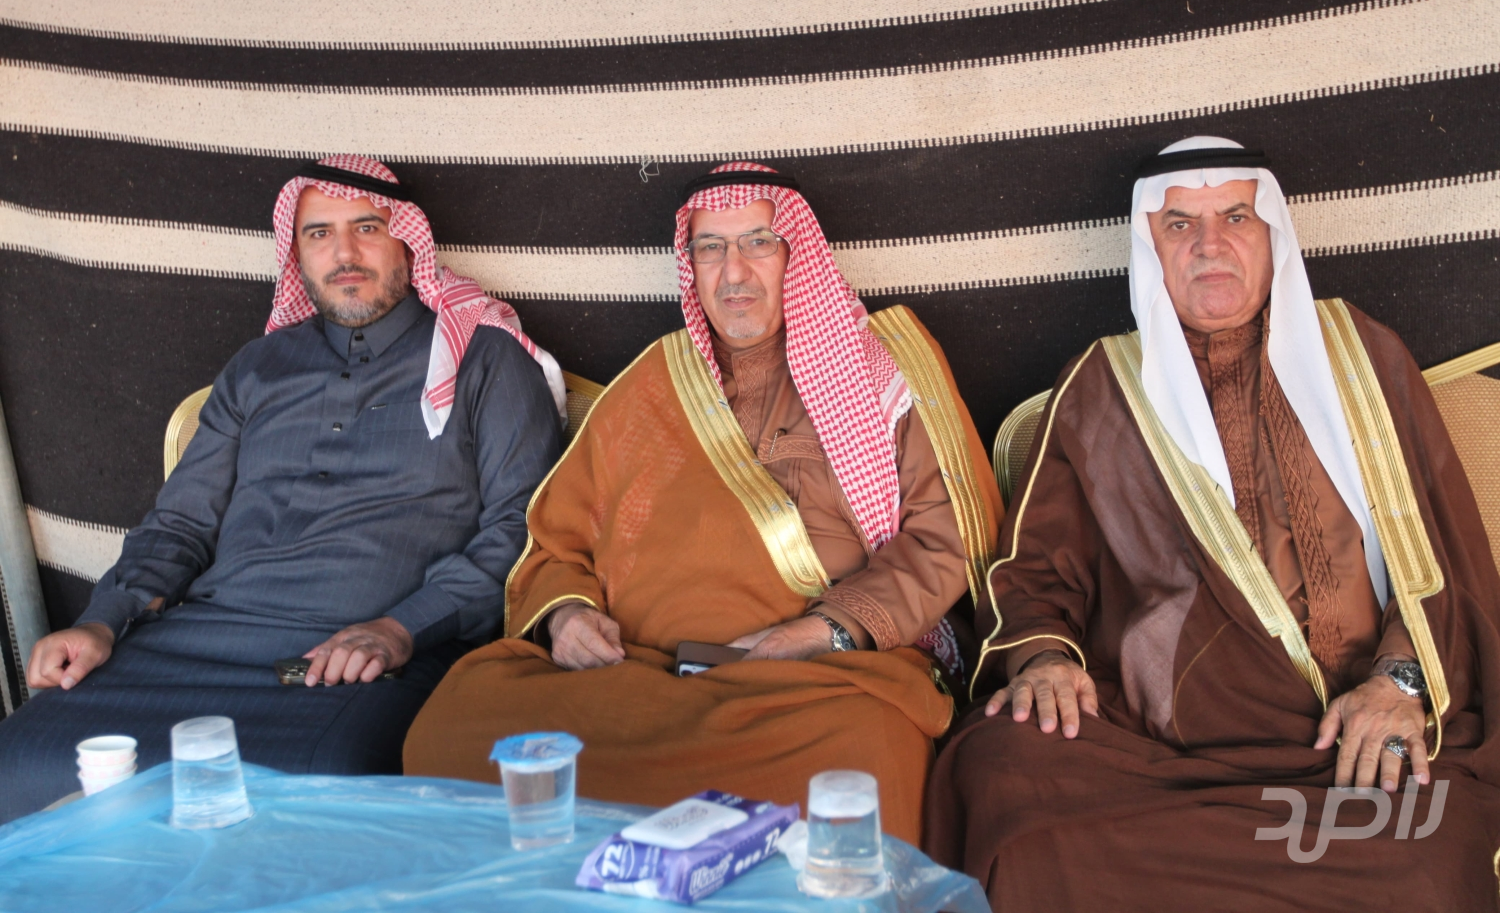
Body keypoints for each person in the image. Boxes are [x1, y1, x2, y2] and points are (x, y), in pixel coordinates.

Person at [924, 137, 1500, 909]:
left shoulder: (1364, 357)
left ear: (1272, 234)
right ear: (1152, 249)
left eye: (1235, 216)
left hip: (1351, 729)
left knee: (1431, 854)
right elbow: (1036, 572)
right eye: (1180, 224)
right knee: (998, 771)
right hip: (1159, 746)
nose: (1209, 244)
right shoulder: (1103, 385)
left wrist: (1399, 683)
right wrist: (1045, 662)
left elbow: (1443, 555)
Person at [404, 162, 1000, 843]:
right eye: (711, 248)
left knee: (859, 755)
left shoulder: (884, 369)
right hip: (635, 674)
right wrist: (567, 615)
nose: (734, 272)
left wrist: (824, 632)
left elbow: (950, 534)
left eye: (758, 243)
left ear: (797, 254)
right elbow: (558, 540)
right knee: (454, 726)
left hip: (815, 677)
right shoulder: (652, 383)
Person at [0, 155, 564, 822]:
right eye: (318, 234)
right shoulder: (259, 367)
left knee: (316, 789)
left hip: (358, 658)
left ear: (409, 243)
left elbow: (522, 529)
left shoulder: (486, 360)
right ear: (296, 254)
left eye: (367, 228)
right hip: (192, 647)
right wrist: (101, 620)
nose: (344, 253)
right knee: (20, 758)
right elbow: (180, 525)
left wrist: (400, 629)